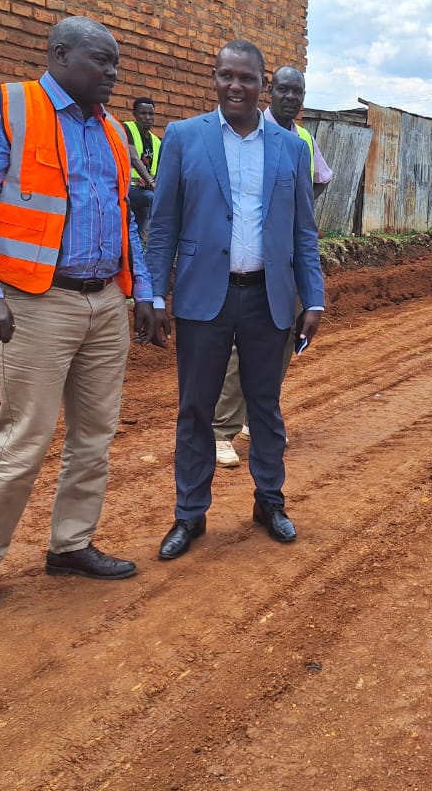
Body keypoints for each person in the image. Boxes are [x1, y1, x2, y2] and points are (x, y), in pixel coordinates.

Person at [0, 15, 160, 617]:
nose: (113, 74)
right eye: (102, 62)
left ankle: (70, 545)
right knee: (25, 439)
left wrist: (141, 289)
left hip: (104, 303)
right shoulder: (5, 108)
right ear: (61, 55)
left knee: (95, 437)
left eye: (116, 64)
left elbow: (125, 220)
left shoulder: (114, 131)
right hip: (35, 304)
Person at [145, 40, 325, 558]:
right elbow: (163, 229)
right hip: (205, 297)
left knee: (265, 408)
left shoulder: (290, 147)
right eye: (226, 76)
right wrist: (155, 293)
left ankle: (270, 502)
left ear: (262, 85)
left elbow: (302, 232)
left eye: (246, 78)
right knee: (196, 409)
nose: (235, 86)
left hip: (269, 297)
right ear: (215, 78)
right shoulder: (183, 138)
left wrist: (313, 298)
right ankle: (190, 515)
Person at [213, 66, 333, 467]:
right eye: (283, 89)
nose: (291, 97)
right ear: (270, 91)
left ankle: (254, 415)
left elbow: (321, 181)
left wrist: (297, 204)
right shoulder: (251, 133)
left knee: (282, 341)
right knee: (237, 351)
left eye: (298, 91)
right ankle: (221, 429)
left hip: (286, 263)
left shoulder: (302, 140)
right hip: (245, 264)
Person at [123, 97, 160, 244]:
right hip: (128, 189)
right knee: (154, 199)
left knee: (136, 237)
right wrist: (152, 183)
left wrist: (153, 181)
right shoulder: (127, 129)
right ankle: (153, 240)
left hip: (145, 190)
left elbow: (159, 168)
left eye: (151, 114)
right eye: (143, 113)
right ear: (135, 114)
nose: (147, 117)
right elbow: (133, 158)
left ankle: (139, 254)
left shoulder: (156, 141)